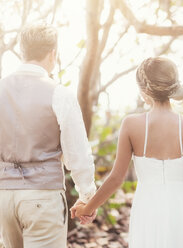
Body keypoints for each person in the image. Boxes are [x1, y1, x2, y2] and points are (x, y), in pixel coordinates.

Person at [71, 57, 183, 248]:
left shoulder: (131, 124)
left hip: (148, 206)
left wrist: (88, 208)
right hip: (182, 207)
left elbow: (116, 178)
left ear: (144, 91)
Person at [0, 23, 96, 248]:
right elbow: (77, 154)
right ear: (53, 54)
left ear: (23, 52)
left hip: (4, 197)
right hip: (42, 197)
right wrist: (87, 197)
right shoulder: (59, 94)